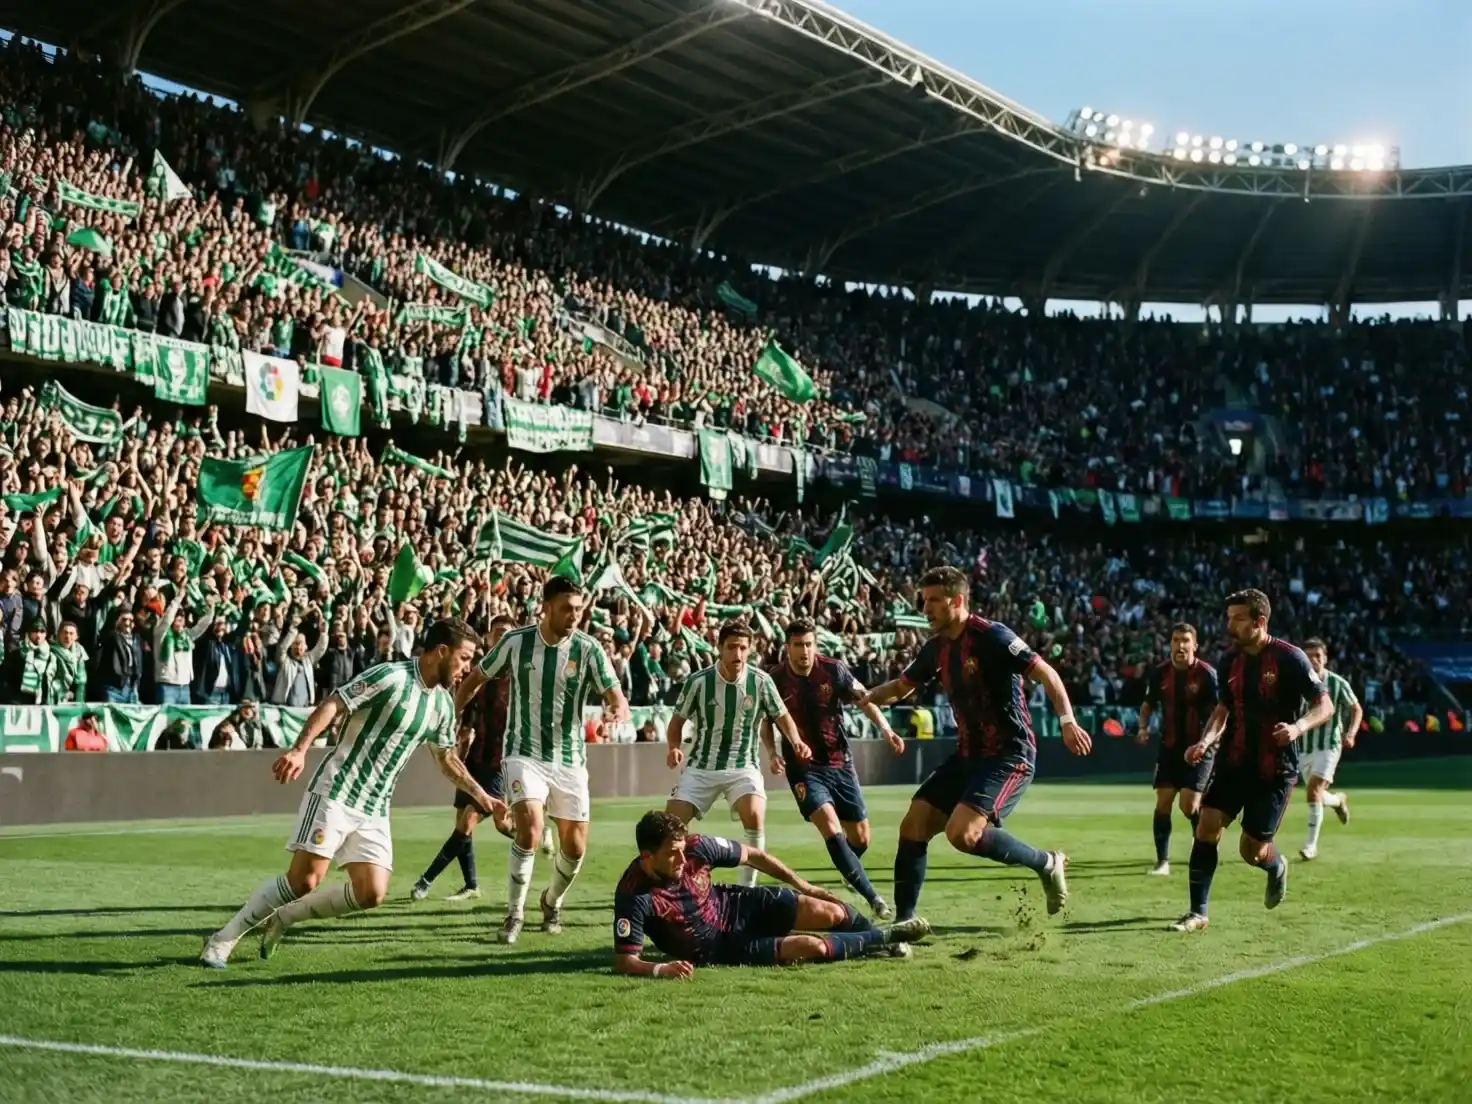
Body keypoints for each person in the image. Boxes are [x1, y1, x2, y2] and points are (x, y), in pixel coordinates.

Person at [200, 618, 504, 968]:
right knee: (304, 880)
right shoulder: (391, 677)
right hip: (337, 791)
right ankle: (221, 940)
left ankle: (284, 918)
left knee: (372, 892)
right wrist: (300, 749)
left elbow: (447, 758)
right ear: (442, 651)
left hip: (375, 806)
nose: (468, 669)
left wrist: (484, 798)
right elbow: (334, 703)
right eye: (465, 659)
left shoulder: (443, 705)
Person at [860, 566, 1091, 923]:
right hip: (968, 755)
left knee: (962, 834)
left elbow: (1046, 672)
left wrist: (1067, 720)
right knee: (914, 824)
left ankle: (1047, 863)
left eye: (934, 601)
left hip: (1009, 754)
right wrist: (864, 695)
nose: (926, 610)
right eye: (925, 602)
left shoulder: (992, 636)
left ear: (958, 600)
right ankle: (904, 925)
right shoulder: (937, 648)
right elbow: (901, 688)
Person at [453, 577, 629, 945]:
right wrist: (452, 711)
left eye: (579, 610)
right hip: (523, 753)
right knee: (530, 828)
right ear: (545, 608)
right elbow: (476, 677)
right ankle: (514, 913)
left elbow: (616, 695)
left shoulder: (589, 648)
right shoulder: (516, 642)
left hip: (569, 759)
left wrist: (616, 710)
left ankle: (551, 901)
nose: (574, 616)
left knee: (575, 847)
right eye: (567, 608)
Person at [1172, 591, 1334, 933]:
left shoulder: (1290, 658)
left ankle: (1275, 866)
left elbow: (1325, 705)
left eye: (1238, 619)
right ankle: (1197, 912)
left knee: (1252, 851)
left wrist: (1297, 727)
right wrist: (1205, 741)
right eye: (1229, 618)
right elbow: (1222, 709)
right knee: (1206, 826)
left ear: (1260, 621)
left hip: (1274, 769)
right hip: (1233, 761)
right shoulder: (1229, 661)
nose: (1229, 625)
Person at [612, 811, 930, 978]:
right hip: (721, 947)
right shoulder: (633, 894)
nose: (682, 860)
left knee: (830, 911)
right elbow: (626, 961)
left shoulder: (696, 847)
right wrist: (660, 969)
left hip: (738, 905)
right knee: (810, 947)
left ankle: (881, 939)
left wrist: (803, 885)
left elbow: (753, 855)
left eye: (682, 851)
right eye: (672, 854)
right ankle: (888, 938)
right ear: (646, 856)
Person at [763, 619, 904, 918]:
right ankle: (873, 897)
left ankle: (849, 871)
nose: (804, 651)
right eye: (798, 645)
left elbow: (864, 699)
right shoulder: (774, 679)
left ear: (816, 645)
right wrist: (773, 752)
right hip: (804, 768)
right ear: (787, 648)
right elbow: (766, 721)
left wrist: (886, 729)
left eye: (809, 644)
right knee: (831, 826)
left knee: (861, 838)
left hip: (840, 762)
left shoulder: (833, 670)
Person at [665, 620, 810, 889]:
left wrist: (797, 741)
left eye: (743, 647)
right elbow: (676, 723)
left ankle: (747, 891)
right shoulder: (698, 682)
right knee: (669, 826)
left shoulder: (761, 681)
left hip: (743, 765)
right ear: (719, 648)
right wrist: (673, 747)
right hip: (701, 766)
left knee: (754, 814)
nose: (738, 654)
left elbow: (782, 716)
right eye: (732, 647)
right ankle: (671, 886)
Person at [411, 616, 517, 903]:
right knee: (468, 821)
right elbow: (467, 707)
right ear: (489, 638)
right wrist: (461, 730)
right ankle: (472, 885)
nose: (502, 638)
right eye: (497, 634)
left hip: (499, 761)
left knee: (468, 821)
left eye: (508, 634)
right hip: (474, 756)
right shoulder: (479, 672)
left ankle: (426, 879)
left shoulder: (519, 674)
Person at [1134, 623, 1219, 875]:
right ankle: (1162, 861)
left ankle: (1204, 837)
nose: (1180, 645)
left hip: (1200, 748)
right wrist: (1142, 728)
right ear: (1170, 643)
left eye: (1185, 640)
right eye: (1175, 640)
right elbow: (1148, 704)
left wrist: (1207, 742)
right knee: (1163, 802)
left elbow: (1220, 713)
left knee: (1189, 806)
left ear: (1195, 645)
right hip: (1169, 747)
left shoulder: (1207, 674)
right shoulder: (1160, 673)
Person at [1297, 639, 1361, 861]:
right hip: (1303, 747)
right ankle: (1337, 800)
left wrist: (1351, 733)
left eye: (1318, 655)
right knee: (1316, 795)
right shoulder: (1296, 683)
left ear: (1325, 658)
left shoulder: (1336, 682)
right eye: (1308, 656)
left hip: (1329, 745)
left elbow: (1356, 708)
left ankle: (1310, 846)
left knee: (1313, 790)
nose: (1313, 660)